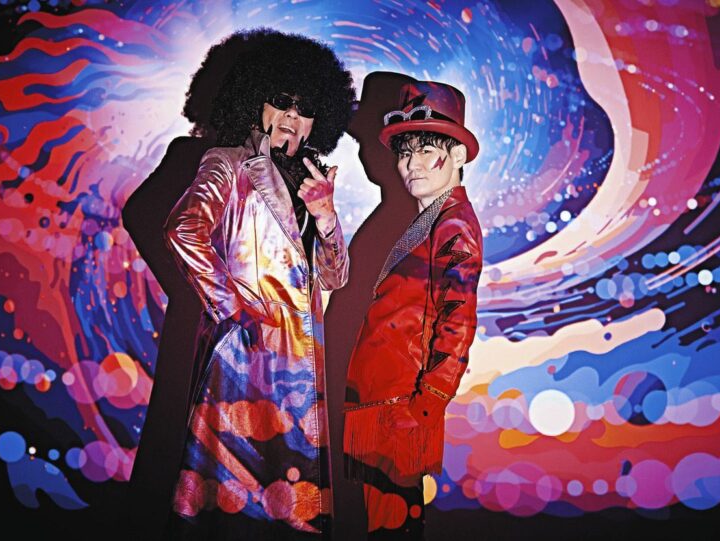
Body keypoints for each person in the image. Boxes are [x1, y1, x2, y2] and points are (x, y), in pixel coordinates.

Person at [162, 28, 355, 540]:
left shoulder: (310, 179)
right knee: (233, 493)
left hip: (300, 364)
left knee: (292, 496)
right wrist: (232, 310)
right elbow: (183, 230)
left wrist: (326, 216)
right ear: (256, 103)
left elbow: (335, 276)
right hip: (245, 358)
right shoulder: (227, 163)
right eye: (282, 101)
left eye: (305, 108)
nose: (292, 116)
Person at [342, 78, 484, 539]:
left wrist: (424, 408)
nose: (412, 164)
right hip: (383, 401)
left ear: (457, 155)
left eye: (426, 150)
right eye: (405, 152)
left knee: (393, 525)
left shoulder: (454, 224)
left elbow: (458, 321)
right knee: (384, 523)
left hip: (401, 408)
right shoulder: (432, 218)